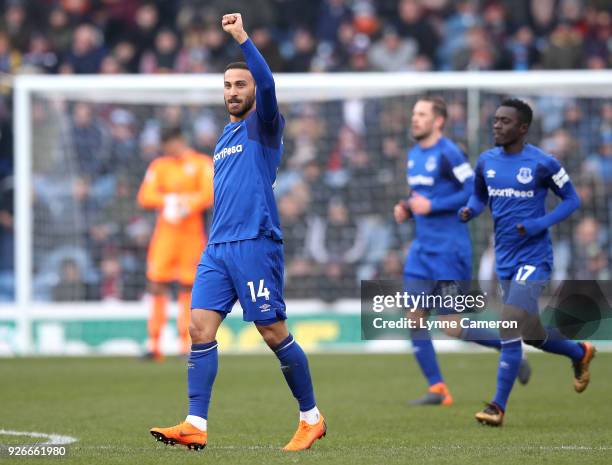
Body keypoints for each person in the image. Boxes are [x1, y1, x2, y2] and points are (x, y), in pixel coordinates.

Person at [150, 13, 326, 452]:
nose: (233, 92)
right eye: (228, 86)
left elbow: (267, 85)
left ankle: (312, 418)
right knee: (199, 328)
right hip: (217, 248)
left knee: (272, 332)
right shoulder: (224, 136)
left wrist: (243, 39)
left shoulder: (262, 126)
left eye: (239, 85)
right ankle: (195, 422)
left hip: (254, 243)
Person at [459, 98, 595, 426]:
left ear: (522, 128)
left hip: (534, 258)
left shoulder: (543, 163)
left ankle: (497, 407)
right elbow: (479, 196)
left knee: (509, 322)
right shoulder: (486, 161)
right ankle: (580, 353)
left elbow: (572, 199)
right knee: (532, 334)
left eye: (505, 121)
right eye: (495, 120)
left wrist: (538, 224)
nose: (496, 125)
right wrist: (471, 210)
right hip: (504, 258)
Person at [394, 96, 531, 407]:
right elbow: (422, 196)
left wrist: (432, 206)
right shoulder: (414, 154)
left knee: (451, 327)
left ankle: (509, 346)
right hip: (422, 251)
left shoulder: (449, 153)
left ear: (438, 121)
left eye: (422, 114)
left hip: (449, 252)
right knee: (414, 317)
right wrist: (407, 208)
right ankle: (438, 388)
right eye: (414, 113)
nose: (415, 119)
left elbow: (473, 191)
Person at [137, 127, 214, 360]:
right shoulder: (159, 166)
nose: (168, 150)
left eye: (170, 144)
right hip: (165, 235)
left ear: (180, 141)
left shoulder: (201, 163)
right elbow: (145, 196)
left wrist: (187, 205)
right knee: (157, 283)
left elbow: (209, 193)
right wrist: (169, 200)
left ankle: (186, 344)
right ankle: (154, 344)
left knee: (188, 288)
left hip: (191, 235)